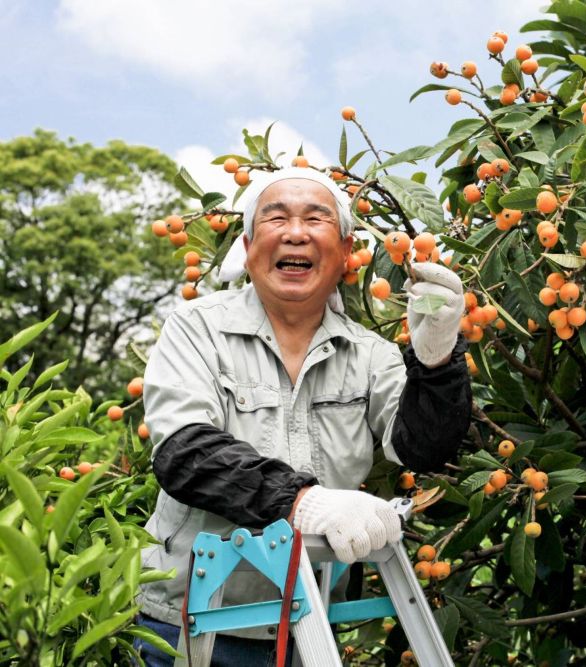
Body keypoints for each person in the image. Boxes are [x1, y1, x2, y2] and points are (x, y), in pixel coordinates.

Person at [133, 167, 471, 665]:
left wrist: (437, 360)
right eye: (276, 218)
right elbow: (186, 454)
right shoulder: (197, 329)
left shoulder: (370, 355)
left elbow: (423, 446)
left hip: (305, 631)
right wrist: (302, 503)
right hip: (186, 623)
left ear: (345, 250)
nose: (295, 232)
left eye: (316, 219)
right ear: (248, 246)